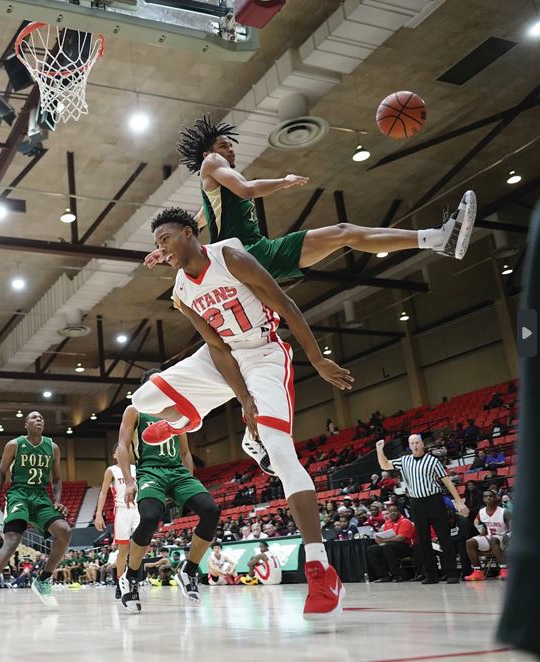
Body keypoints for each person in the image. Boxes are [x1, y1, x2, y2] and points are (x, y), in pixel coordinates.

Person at [132, 208, 352, 621]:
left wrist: (317, 358)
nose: (160, 249)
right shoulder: (181, 290)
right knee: (141, 401)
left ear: (187, 232)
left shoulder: (230, 257)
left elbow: (284, 303)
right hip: (223, 359)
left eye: (165, 239)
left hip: (265, 352)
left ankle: (321, 568)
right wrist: (242, 399)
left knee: (280, 451)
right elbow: (216, 347)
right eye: (157, 244)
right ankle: (187, 420)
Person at [143, 117, 477, 275]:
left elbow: (200, 221)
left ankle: (438, 239)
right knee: (344, 233)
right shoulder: (212, 164)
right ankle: (438, 238)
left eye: (230, 145)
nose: (229, 150)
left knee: (345, 234)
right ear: (207, 153)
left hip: (253, 257)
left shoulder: (214, 188)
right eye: (222, 145)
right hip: (248, 254)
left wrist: (163, 250)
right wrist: (284, 181)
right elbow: (246, 190)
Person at [114, 370, 223, 614]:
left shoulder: (178, 409)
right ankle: (130, 578)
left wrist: (188, 483)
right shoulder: (134, 410)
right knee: (151, 517)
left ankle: (190, 570)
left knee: (211, 510)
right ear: (146, 389)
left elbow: (184, 452)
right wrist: (130, 481)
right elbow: (122, 445)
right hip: (150, 471)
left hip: (177, 472)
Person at [0, 412, 72, 616]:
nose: (39, 419)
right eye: (34, 417)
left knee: (65, 531)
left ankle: (42, 580)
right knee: (12, 541)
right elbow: (1, 473)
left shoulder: (53, 447)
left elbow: (57, 479)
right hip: (18, 495)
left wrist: (58, 501)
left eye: (41, 417)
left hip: (41, 498)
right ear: (26, 424)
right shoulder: (14, 445)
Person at [376, 435, 469, 584]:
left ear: (422, 444)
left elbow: (447, 482)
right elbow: (385, 465)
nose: (415, 445)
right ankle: (431, 575)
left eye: (417, 442)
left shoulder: (433, 460)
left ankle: (451, 573)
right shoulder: (405, 460)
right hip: (416, 503)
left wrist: (458, 501)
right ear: (409, 446)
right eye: (412, 443)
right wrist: (379, 450)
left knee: (444, 537)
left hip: (434, 501)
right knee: (423, 540)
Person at [93, 453, 139, 599]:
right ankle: (120, 583)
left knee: (139, 548)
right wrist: (99, 514)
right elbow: (103, 493)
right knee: (123, 550)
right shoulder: (111, 470)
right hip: (121, 511)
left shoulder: (136, 468)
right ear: (114, 455)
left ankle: (134, 582)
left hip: (138, 509)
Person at [466, 489, 511, 581]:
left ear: (496, 498)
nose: (488, 498)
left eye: (490, 496)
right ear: (483, 499)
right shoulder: (481, 512)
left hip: (504, 538)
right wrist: (481, 532)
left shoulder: (504, 512)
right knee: (470, 542)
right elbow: (477, 523)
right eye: (485, 496)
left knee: (493, 540)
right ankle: (478, 571)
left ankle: (504, 569)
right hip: (490, 537)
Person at [366, 505, 416, 582]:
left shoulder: (405, 521)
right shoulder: (388, 523)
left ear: (399, 512)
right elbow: (386, 536)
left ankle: (397, 575)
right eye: (390, 512)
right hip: (390, 545)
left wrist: (384, 540)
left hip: (406, 547)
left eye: (395, 511)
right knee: (371, 549)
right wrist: (379, 539)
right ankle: (384, 575)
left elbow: (401, 538)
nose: (393, 513)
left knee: (388, 546)